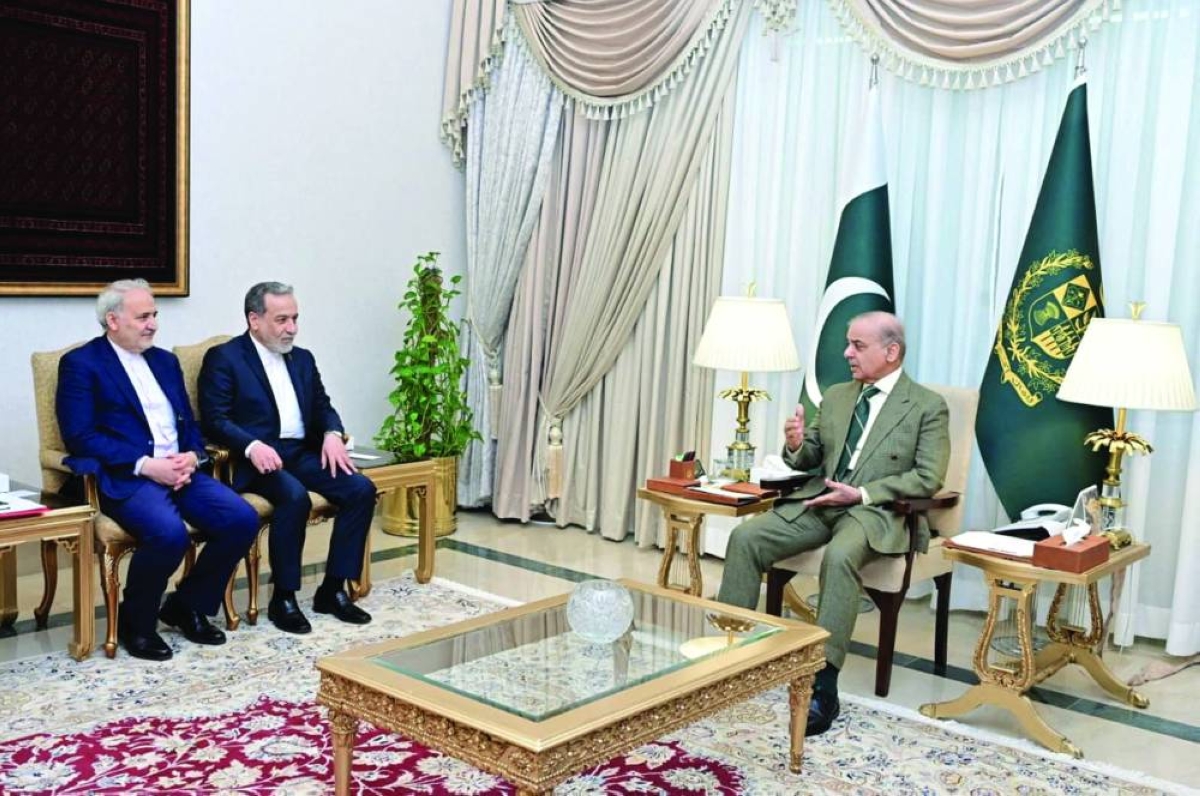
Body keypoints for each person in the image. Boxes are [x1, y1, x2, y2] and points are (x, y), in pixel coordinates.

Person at [716, 311, 950, 736]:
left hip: (875, 512)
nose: (847, 353)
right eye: (848, 344)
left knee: (841, 556)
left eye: (858, 346)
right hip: (819, 502)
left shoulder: (927, 406)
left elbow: (927, 477)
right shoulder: (839, 395)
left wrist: (861, 494)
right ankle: (730, 659)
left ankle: (824, 684)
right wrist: (795, 445)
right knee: (747, 537)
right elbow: (811, 458)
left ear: (891, 351)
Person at [56, 279, 260, 661]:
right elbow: (79, 436)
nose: (153, 324)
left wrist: (192, 457)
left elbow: (189, 427)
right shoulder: (82, 365)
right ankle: (137, 624)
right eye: (143, 316)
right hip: (127, 476)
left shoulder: (165, 361)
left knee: (241, 519)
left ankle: (186, 606)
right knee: (169, 536)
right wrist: (147, 465)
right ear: (113, 320)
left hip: (181, 472)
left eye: (155, 315)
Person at [198, 281, 376, 634]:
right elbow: (215, 418)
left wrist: (331, 435)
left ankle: (332, 590)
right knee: (293, 497)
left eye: (295, 318)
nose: (291, 328)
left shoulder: (303, 359)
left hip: (300, 452)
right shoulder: (225, 358)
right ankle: (284, 597)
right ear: (254, 319)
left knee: (360, 489)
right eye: (281, 320)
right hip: (253, 459)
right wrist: (250, 445)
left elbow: (323, 407)